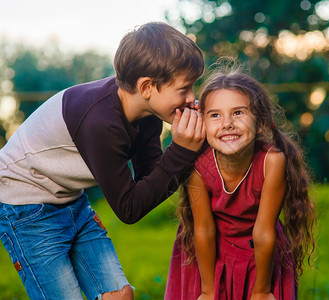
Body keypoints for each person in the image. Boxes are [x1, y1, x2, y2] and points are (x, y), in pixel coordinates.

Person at [0, 22, 205, 300]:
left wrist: (186, 151)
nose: (192, 98)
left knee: (119, 296)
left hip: (70, 200)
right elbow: (129, 209)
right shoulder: (101, 123)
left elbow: (151, 183)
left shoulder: (146, 116)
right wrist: (181, 151)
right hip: (25, 209)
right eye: (184, 88)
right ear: (146, 87)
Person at [165, 61, 316, 300]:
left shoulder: (272, 161)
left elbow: (264, 231)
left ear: (261, 124)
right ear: (202, 123)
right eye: (215, 115)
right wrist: (208, 291)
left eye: (238, 112)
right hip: (207, 253)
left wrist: (262, 291)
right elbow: (203, 229)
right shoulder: (197, 166)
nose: (227, 123)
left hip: (260, 254)